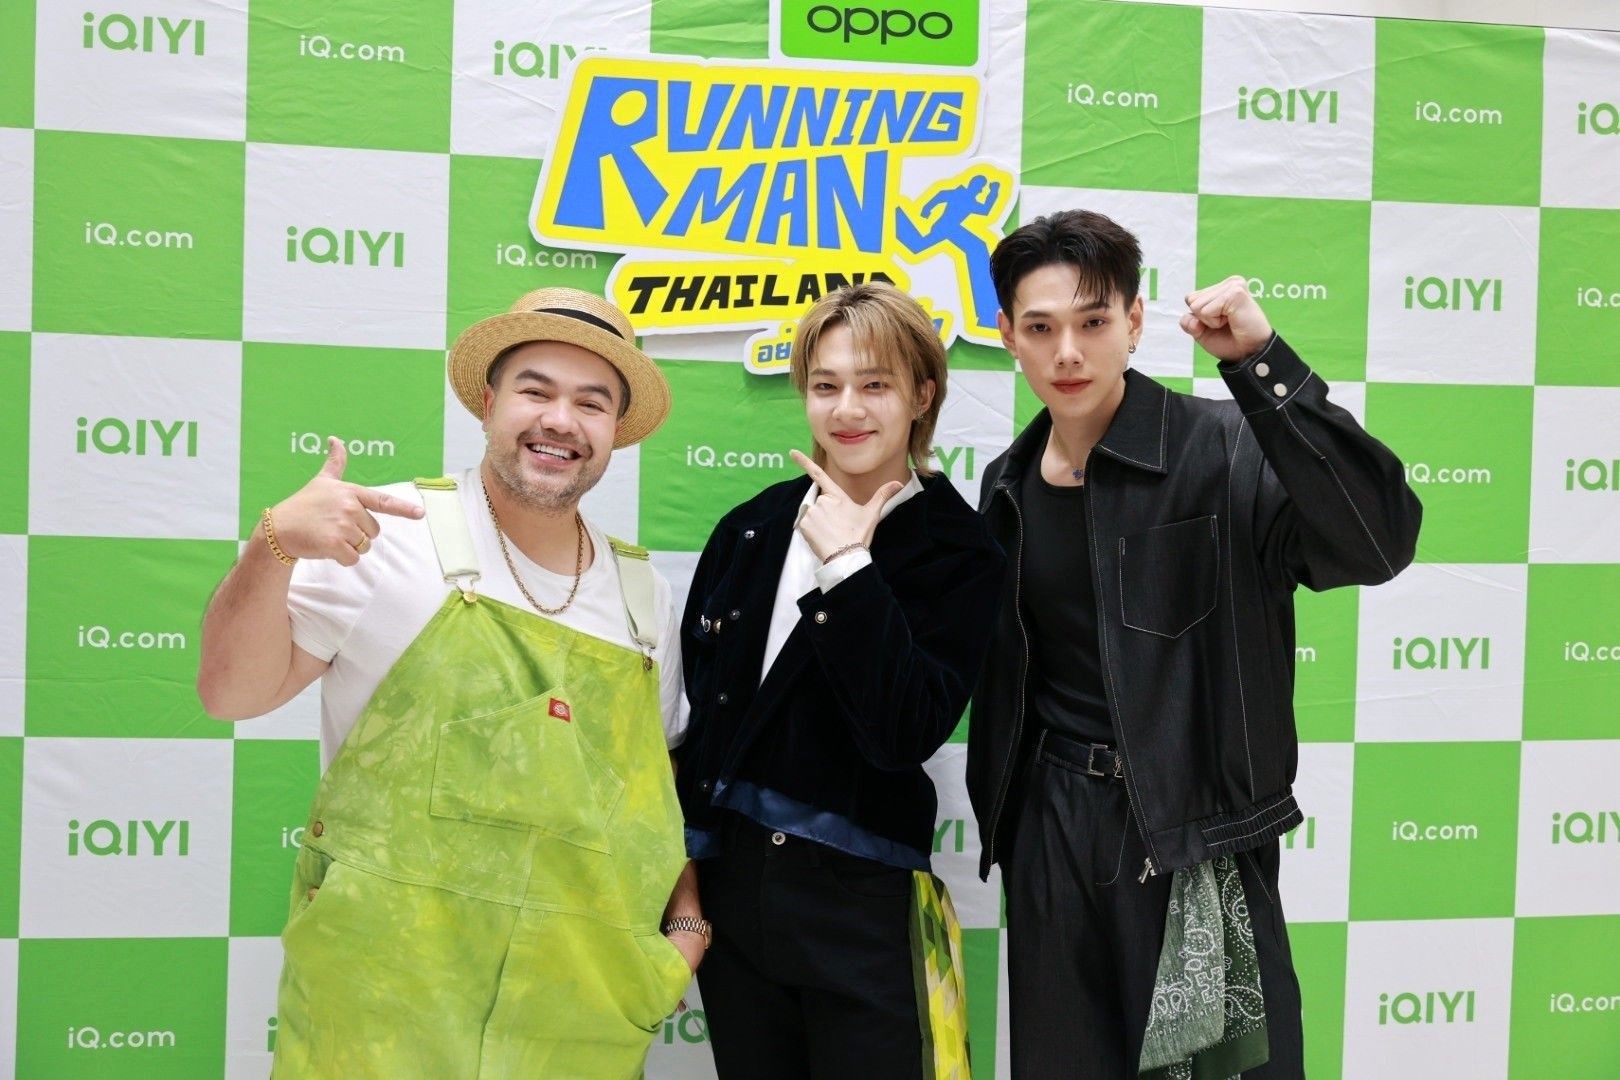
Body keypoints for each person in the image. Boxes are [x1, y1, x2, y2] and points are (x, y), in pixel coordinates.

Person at [196, 287, 706, 1078]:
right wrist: (273, 545)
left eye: (591, 403)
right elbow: (230, 694)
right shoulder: (389, 535)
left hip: (572, 1021)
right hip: (380, 1012)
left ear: (614, 430)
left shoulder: (644, 595)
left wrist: (687, 924)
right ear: (488, 402)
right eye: (535, 390)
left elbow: (657, 782)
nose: (560, 421)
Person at [966, 211, 1421, 1078]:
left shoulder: (1230, 447)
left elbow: (1378, 541)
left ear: (1135, 322)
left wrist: (1263, 365)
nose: (1069, 352)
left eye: (1093, 321)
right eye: (1042, 328)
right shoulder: (1007, 485)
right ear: (1009, 338)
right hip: (1053, 831)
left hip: (1196, 840)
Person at [675, 282, 1006, 1078]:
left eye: (875, 384)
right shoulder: (752, 528)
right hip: (734, 893)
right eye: (826, 385)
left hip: (865, 901)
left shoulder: (960, 551)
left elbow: (903, 732)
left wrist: (851, 570)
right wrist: (687, 893)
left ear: (921, 395)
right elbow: (698, 723)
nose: (847, 409)